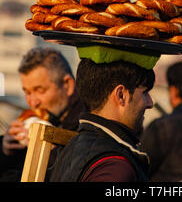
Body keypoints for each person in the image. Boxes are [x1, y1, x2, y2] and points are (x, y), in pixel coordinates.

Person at [50, 58, 155, 182]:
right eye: (144, 93)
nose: (150, 103)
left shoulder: (72, 146)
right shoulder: (116, 168)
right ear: (121, 95)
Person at [0, 47, 86, 182]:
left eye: (40, 90)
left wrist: (52, 153)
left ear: (68, 85)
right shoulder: (44, 117)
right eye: (27, 92)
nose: (33, 103)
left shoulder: (88, 125)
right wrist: (6, 150)